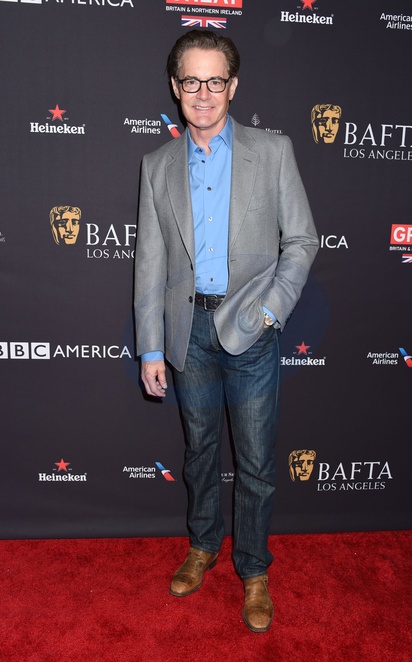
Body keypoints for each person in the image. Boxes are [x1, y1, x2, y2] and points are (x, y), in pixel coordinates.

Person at [134, 30, 318, 633]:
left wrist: (270, 312)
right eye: (192, 81)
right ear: (175, 87)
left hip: (250, 331)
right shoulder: (156, 165)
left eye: (215, 81)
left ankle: (255, 569)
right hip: (187, 333)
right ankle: (203, 545)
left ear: (233, 86)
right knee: (200, 453)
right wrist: (152, 346)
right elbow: (150, 263)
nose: (204, 93)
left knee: (258, 461)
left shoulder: (274, 151)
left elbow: (302, 240)